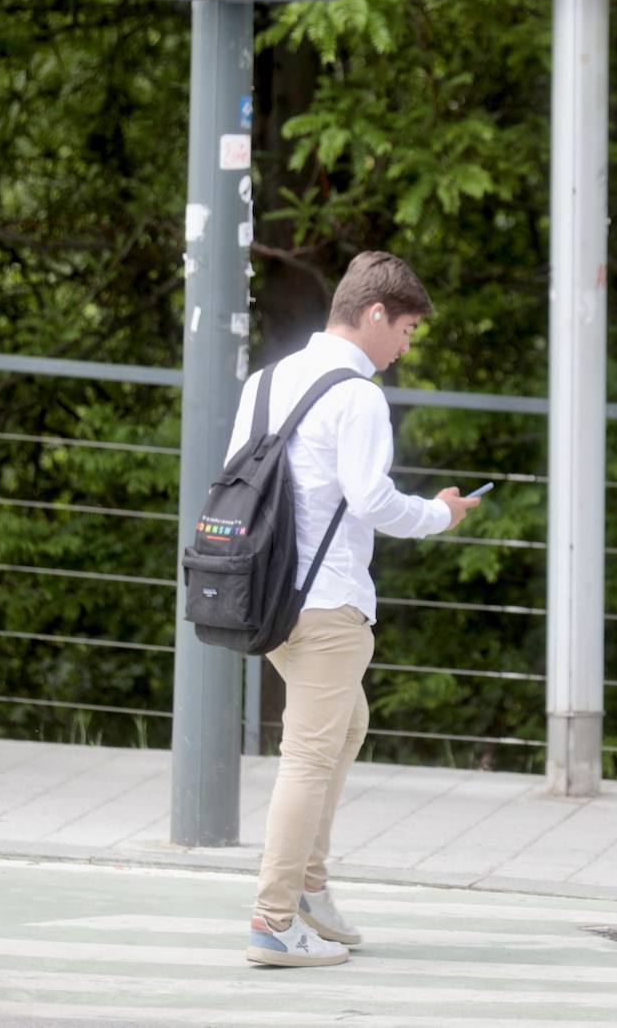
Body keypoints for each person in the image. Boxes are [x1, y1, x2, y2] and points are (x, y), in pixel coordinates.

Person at [237, 250, 480, 968]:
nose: (405, 346)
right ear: (375, 314)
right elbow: (372, 502)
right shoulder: (357, 394)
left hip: (267, 596)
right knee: (310, 756)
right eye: (405, 329)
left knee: (349, 723)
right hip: (327, 602)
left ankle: (308, 892)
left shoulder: (267, 381)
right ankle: (274, 920)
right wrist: (439, 515)